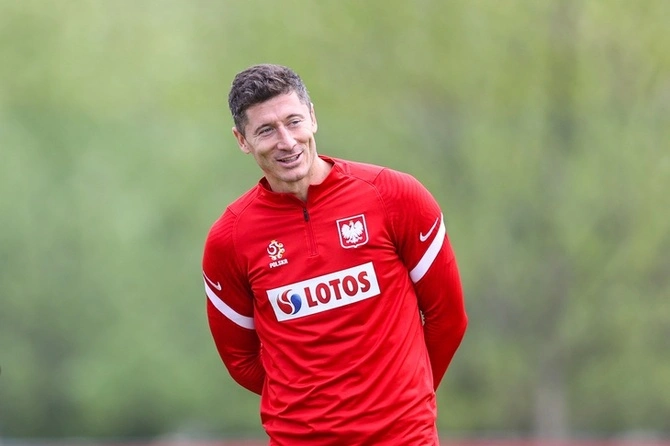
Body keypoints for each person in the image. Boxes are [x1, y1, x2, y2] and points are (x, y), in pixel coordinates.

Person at [202, 63, 468, 446]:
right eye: (266, 130)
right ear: (242, 140)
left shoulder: (395, 196)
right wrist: (312, 405)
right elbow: (241, 361)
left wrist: (404, 399)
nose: (287, 141)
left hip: (403, 437)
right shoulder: (229, 239)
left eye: (293, 121)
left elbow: (448, 318)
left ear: (312, 117)